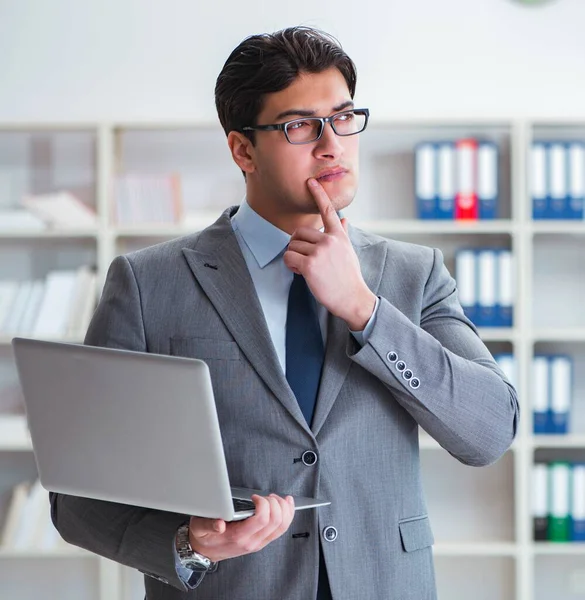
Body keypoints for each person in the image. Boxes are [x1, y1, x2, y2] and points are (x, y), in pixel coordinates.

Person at [50, 26, 519, 600]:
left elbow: (491, 431)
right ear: (242, 149)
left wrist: (364, 310)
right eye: (300, 125)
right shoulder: (151, 284)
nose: (332, 145)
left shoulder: (412, 275)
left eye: (344, 118)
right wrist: (188, 545)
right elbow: (78, 499)